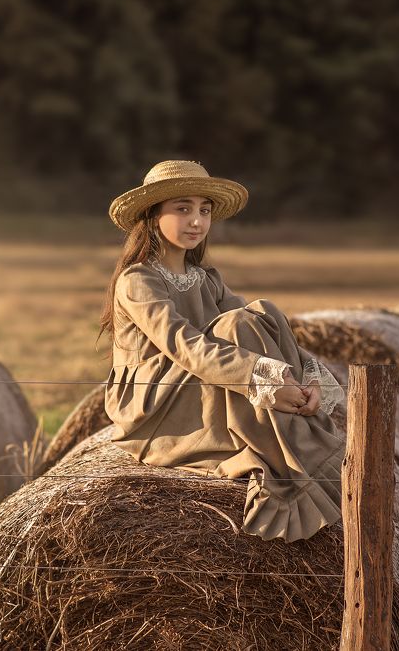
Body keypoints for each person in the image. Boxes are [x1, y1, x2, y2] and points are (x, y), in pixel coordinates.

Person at [98, 160, 345, 542]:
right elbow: (186, 346)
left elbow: (262, 330)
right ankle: (294, 447)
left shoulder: (206, 279)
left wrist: (306, 380)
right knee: (235, 324)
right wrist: (266, 383)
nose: (196, 221)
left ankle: (296, 412)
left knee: (261, 312)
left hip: (198, 385)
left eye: (204, 210)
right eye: (182, 209)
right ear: (152, 215)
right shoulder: (137, 280)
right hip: (154, 406)